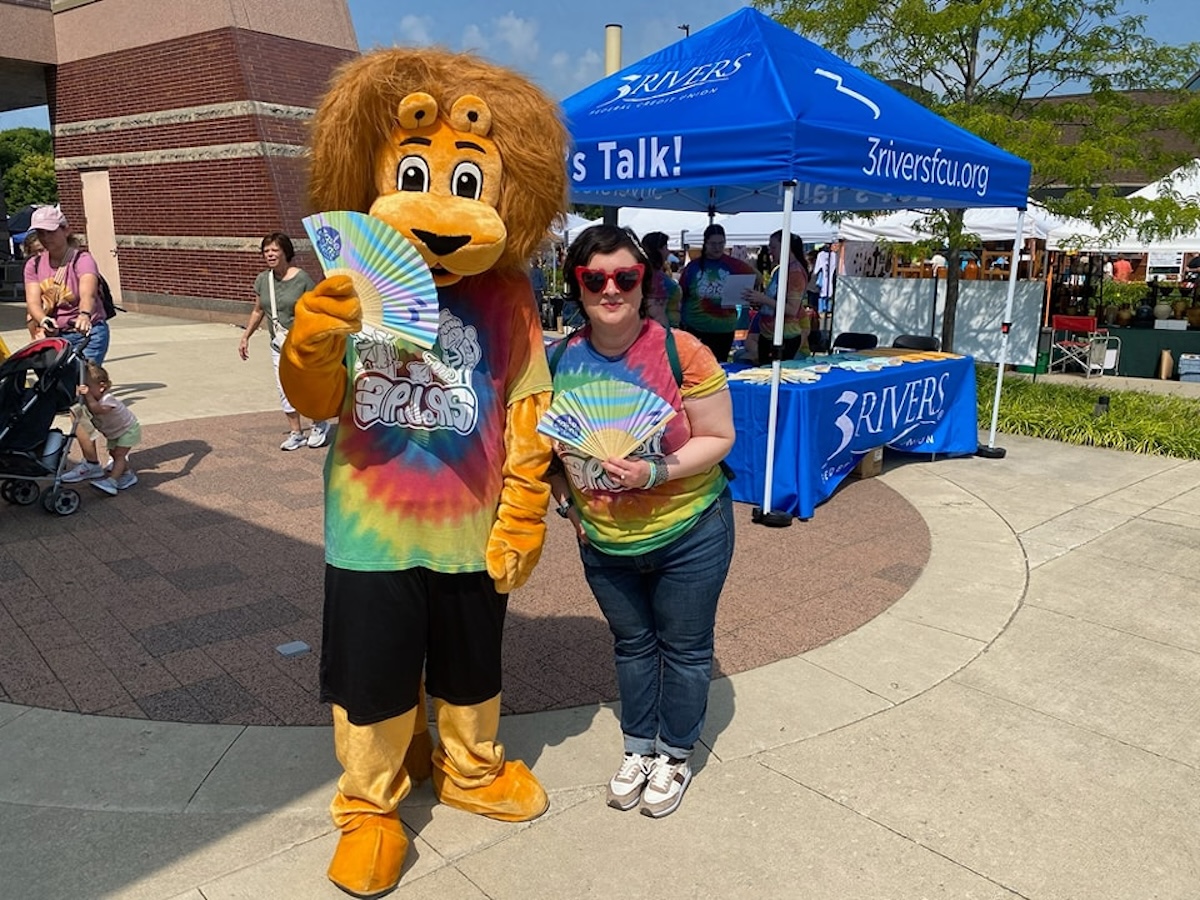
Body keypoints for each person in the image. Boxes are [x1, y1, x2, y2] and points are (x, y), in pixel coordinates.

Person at [545, 224, 736, 819]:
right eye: (595, 278)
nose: (610, 289)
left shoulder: (683, 350)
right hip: (604, 541)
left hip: (690, 531)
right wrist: (567, 501)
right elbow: (546, 452)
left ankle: (674, 754)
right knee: (631, 646)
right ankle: (637, 747)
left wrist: (653, 473)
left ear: (643, 282)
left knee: (683, 648)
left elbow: (720, 438)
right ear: (576, 284)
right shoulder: (556, 360)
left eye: (625, 277)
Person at [237, 232, 330, 450]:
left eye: (274, 250)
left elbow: (318, 310)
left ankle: (319, 423)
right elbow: (258, 310)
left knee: (307, 386)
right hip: (278, 344)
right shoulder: (263, 280)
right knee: (284, 387)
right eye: (266, 251)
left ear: (285, 252)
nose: (269, 254)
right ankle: (296, 432)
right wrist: (245, 336)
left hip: (303, 344)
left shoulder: (302, 279)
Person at [23, 205, 110, 365]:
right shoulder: (33, 264)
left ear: (65, 230)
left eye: (51, 231)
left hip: (87, 333)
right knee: (57, 385)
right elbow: (33, 303)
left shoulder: (82, 260)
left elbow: (87, 294)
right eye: (41, 233)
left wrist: (84, 315)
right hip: (55, 336)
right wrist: (43, 320)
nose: (45, 237)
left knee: (81, 382)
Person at [678, 223, 756, 362]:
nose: (717, 248)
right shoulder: (693, 267)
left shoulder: (734, 264)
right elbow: (682, 293)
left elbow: (757, 279)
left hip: (723, 329)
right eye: (713, 244)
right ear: (705, 244)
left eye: (721, 243)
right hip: (695, 326)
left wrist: (741, 290)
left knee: (719, 367)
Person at [62, 361, 141, 494]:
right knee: (114, 454)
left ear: (102, 387)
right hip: (115, 433)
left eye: (87, 386)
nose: (84, 389)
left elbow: (97, 410)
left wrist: (87, 395)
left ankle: (112, 481)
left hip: (128, 430)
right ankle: (127, 475)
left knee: (120, 455)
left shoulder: (108, 399)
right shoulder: (93, 398)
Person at [741, 229, 814, 364]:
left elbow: (792, 309)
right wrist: (758, 300)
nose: (770, 251)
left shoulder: (795, 273)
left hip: (784, 337)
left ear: (786, 247)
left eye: (773, 247)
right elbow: (774, 300)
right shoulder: (780, 270)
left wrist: (763, 299)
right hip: (768, 335)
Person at [639, 231, 682, 327]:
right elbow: (657, 312)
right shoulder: (655, 277)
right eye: (666, 247)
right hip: (663, 328)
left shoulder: (651, 273)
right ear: (659, 250)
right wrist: (667, 334)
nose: (668, 251)